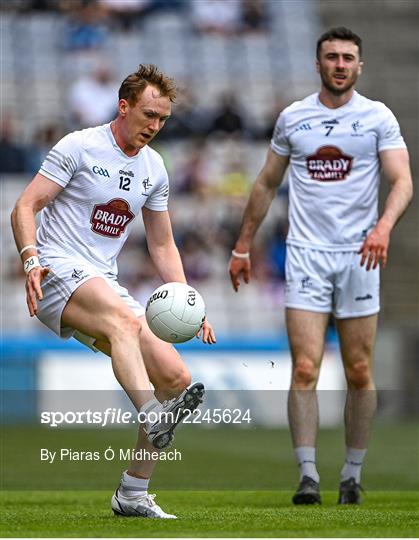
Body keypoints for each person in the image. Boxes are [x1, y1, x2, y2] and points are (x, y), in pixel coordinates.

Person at [11, 64, 216, 519]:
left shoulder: (154, 168)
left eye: (162, 120)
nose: (155, 127)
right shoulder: (80, 146)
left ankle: (133, 492)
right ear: (123, 106)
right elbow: (25, 205)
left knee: (174, 378)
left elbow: (162, 243)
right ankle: (151, 413)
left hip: (103, 282)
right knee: (125, 325)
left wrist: (187, 301)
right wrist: (30, 259)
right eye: (148, 115)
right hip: (57, 270)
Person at [228, 27, 413, 504]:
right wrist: (243, 244)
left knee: (358, 368)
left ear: (359, 65)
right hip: (307, 253)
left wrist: (384, 227)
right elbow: (267, 183)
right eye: (331, 56)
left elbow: (402, 182)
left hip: (360, 254)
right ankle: (308, 475)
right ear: (318, 64)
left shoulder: (377, 117)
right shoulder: (294, 118)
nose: (339, 64)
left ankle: (352, 473)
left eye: (348, 57)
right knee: (306, 367)